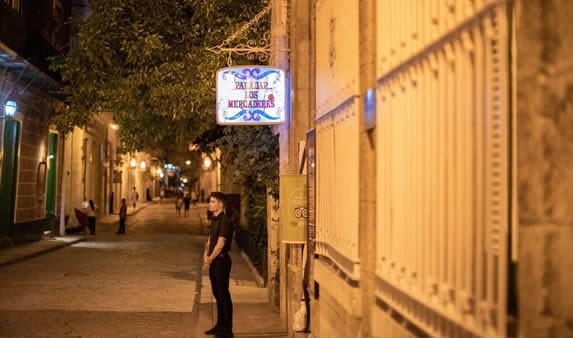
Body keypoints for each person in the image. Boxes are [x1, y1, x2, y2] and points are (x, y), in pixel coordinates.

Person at [203, 192, 234, 338]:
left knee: (223, 295)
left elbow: (221, 244)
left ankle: (227, 330)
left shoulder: (225, 221)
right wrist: (206, 255)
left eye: (213, 202)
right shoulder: (214, 219)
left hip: (221, 261)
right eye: (210, 201)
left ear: (221, 204)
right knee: (217, 294)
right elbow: (210, 240)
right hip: (214, 261)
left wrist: (210, 257)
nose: (210, 204)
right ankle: (219, 325)